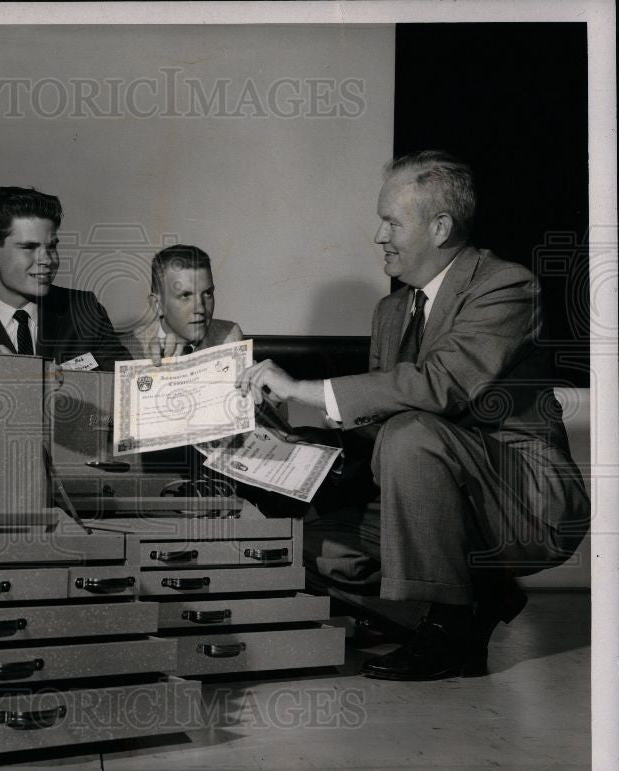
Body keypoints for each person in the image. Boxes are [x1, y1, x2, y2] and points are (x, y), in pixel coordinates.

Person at [235, 150, 590, 681]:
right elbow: (376, 426)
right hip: (433, 492)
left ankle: (452, 636)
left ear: (440, 227)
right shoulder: (391, 311)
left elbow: (439, 388)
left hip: (523, 499)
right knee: (307, 549)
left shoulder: (506, 286)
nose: (379, 235)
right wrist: (283, 450)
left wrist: (302, 387)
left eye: (391, 222)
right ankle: (471, 597)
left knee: (411, 434)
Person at [0, 186, 128, 371]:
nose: (47, 259)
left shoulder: (86, 311)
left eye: (52, 246)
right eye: (29, 247)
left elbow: (127, 392)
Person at [121, 244, 244, 364]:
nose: (200, 308)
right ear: (157, 305)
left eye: (207, 293)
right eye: (185, 296)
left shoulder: (229, 335)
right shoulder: (126, 349)